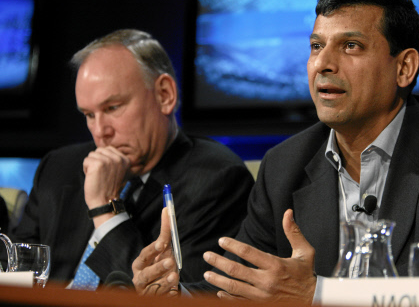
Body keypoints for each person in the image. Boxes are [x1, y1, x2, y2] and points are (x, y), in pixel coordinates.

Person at [132, 0, 419, 304]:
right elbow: (245, 290)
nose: (322, 63)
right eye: (315, 46)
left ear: (404, 67)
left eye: (351, 46)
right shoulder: (283, 166)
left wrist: (317, 296)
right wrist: (174, 296)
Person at [11, 29, 254, 289]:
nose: (100, 131)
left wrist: (106, 209)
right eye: (89, 115)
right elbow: (13, 272)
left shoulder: (218, 179)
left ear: (164, 95)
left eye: (112, 108)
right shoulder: (59, 167)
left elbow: (168, 297)